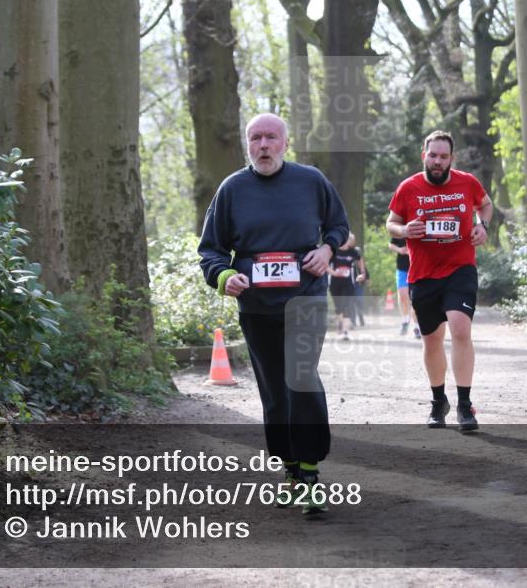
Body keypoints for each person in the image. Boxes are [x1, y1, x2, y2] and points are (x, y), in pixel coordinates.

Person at [199, 113, 349, 514]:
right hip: (257, 305)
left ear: (285, 142)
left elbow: (338, 226)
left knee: (301, 377)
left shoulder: (311, 181)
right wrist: (225, 276)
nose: (263, 145)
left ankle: (310, 473)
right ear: (247, 143)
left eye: (270, 137)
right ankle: (290, 471)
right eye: (255, 138)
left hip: (306, 297)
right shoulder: (232, 189)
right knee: (274, 391)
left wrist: (326, 250)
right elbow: (211, 250)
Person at [386, 130, 493, 432]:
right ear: (424, 155)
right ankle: (438, 402)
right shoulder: (408, 187)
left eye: (443, 157)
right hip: (423, 274)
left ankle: (464, 405)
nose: (437, 161)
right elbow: (391, 223)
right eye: (432, 155)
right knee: (432, 340)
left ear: (451, 159)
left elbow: (485, 204)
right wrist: (405, 230)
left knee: (460, 328)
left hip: (460, 269)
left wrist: (483, 226)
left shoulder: (467, 183)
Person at [328, 233, 366, 340]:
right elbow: (325, 264)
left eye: (349, 240)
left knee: (346, 305)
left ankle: (345, 331)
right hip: (335, 283)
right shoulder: (334, 251)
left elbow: (360, 260)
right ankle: (340, 325)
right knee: (338, 307)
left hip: (348, 283)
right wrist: (334, 273)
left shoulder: (353, 252)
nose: (348, 242)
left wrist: (362, 273)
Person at [388, 236, 419, 338]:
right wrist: (399, 250)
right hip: (402, 269)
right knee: (402, 296)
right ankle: (405, 321)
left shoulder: (420, 229)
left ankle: (416, 326)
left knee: (416, 299)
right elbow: (391, 244)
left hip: (417, 269)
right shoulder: (400, 229)